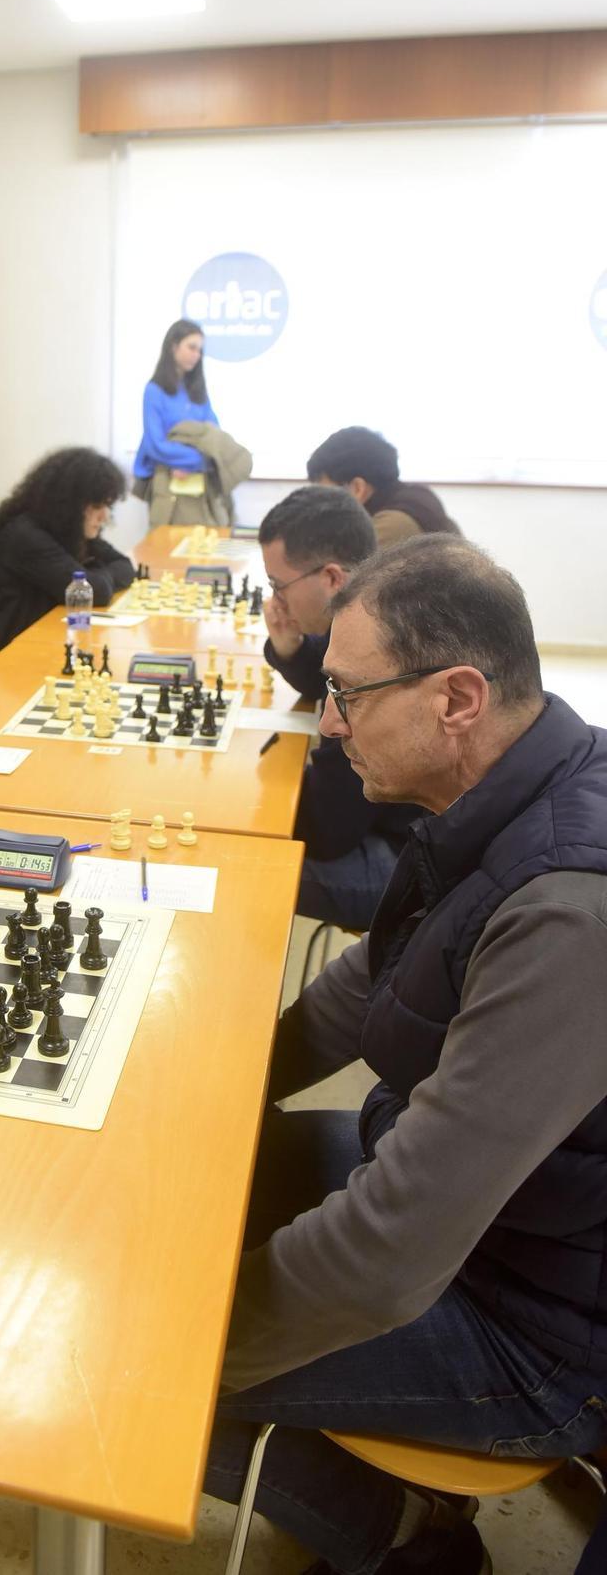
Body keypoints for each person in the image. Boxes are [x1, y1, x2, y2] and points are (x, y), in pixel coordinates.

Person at [201, 535, 607, 1575]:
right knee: (198, 1187)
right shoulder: (497, 795)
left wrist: (190, 1341)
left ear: (457, 699)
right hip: (489, 1228)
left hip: (538, 1332)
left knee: (125, 1363)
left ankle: (403, 1535)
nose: (327, 725)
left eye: (347, 695)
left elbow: (390, 1255)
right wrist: (216, 1090)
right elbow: (367, 986)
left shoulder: (568, 911)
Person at [260, 485, 420, 930]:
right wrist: (289, 648)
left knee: (236, 857)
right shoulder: (386, 603)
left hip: (420, 871)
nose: (276, 602)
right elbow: (324, 678)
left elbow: (327, 833)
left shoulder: (377, 663)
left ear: (332, 578)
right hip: (407, 829)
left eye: (279, 586)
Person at [0, 447, 133, 658]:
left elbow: (124, 566)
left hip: (36, 643)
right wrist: (98, 575)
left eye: (108, 505)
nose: (105, 516)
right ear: (72, 503)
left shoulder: (65, 530)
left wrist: (96, 575)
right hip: (1, 657)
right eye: (98, 505)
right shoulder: (26, 537)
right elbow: (96, 590)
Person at [132, 318, 252, 526]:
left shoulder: (198, 392)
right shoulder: (154, 391)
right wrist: (194, 462)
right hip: (168, 483)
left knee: (206, 545)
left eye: (200, 350)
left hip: (202, 486)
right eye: (191, 347)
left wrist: (198, 465)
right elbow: (155, 444)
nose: (196, 355)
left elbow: (214, 435)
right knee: (167, 549)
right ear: (173, 346)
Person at [307, 425, 460, 546]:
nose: (317, 504)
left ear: (357, 488)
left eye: (322, 493)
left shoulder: (393, 524)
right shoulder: (415, 497)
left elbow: (339, 581)